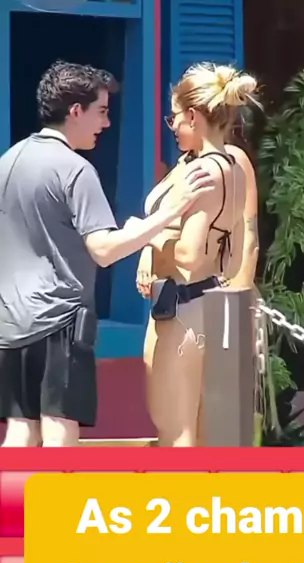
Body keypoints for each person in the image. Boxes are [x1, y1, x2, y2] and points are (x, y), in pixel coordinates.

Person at [0, 61, 214, 448]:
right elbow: (103, 249)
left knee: (20, 430)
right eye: (100, 111)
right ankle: (58, 493)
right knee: (59, 428)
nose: (106, 123)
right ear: (75, 111)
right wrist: (171, 212)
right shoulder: (75, 170)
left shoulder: (8, 162)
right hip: (59, 320)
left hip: (10, 322)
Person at [137, 62, 260, 447]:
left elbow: (189, 253)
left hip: (182, 306)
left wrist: (146, 236)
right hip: (214, 301)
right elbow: (238, 248)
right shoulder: (233, 168)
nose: (172, 126)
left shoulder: (202, 172)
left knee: (176, 433)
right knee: (213, 435)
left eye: (174, 117)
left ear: (193, 115)